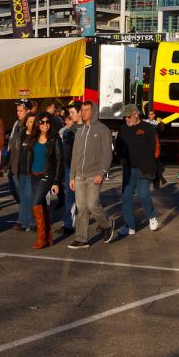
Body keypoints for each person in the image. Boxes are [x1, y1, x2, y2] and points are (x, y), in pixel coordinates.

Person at [68, 100, 114, 248]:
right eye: (82, 110)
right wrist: (72, 176)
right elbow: (75, 155)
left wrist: (102, 173)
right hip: (79, 176)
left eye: (87, 110)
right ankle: (81, 239)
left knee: (92, 205)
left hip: (94, 174)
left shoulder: (102, 130)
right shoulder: (79, 130)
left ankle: (106, 225)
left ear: (93, 111)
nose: (84, 113)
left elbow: (107, 154)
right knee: (81, 208)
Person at [115, 104, 161, 236]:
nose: (126, 119)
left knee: (143, 195)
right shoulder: (123, 129)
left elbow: (155, 148)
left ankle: (152, 216)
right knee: (126, 197)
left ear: (136, 114)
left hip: (144, 167)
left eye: (129, 116)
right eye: (125, 117)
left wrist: (151, 164)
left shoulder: (148, 128)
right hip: (129, 169)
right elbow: (118, 146)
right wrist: (122, 159)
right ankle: (130, 226)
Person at [26, 115, 64, 248]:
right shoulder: (33, 138)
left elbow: (60, 160)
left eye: (47, 122)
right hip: (34, 175)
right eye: (42, 122)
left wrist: (56, 182)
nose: (45, 124)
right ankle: (48, 236)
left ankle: (41, 238)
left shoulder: (54, 138)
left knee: (35, 203)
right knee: (41, 205)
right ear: (38, 124)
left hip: (47, 176)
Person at [58, 103, 79, 236]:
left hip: (79, 168)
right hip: (68, 167)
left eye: (72, 114)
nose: (69, 118)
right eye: (68, 115)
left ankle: (102, 221)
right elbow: (63, 152)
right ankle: (68, 224)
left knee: (88, 201)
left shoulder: (82, 130)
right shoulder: (65, 132)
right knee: (70, 197)